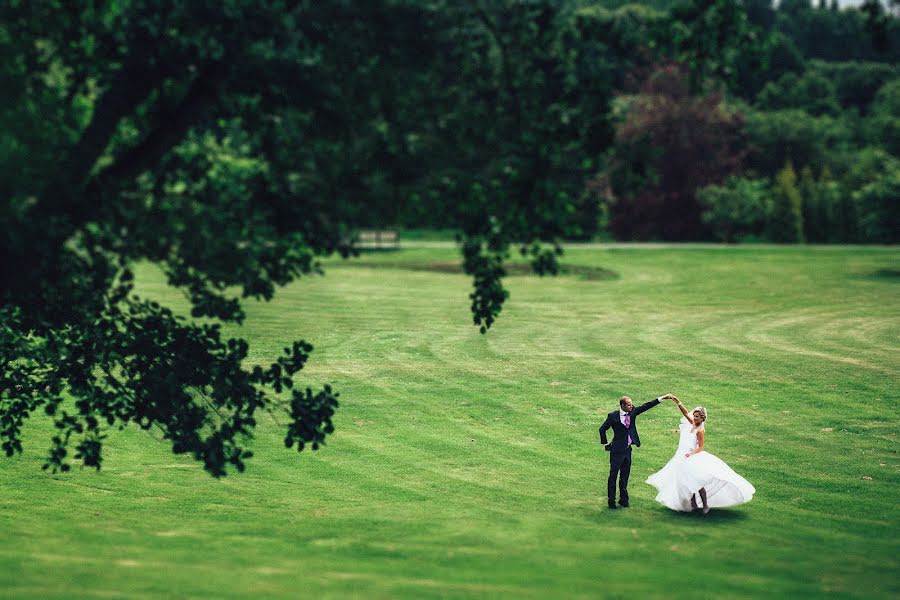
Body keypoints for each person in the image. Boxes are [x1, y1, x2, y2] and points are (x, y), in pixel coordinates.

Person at [646, 396, 755, 514]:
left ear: (702, 419)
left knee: (696, 482)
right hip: (683, 456)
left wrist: (690, 454)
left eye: (697, 416)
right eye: (694, 415)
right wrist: (677, 402)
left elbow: (701, 447)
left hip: (692, 456)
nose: (694, 417)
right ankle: (693, 504)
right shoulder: (692, 423)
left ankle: (705, 505)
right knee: (686, 481)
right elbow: (685, 412)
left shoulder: (700, 430)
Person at [599, 394, 673, 509]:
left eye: (631, 404)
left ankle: (624, 500)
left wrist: (661, 398)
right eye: (628, 405)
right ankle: (611, 501)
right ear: (622, 405)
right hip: (617, 451)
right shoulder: (613, 416)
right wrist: (605, 443)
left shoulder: (633, 412)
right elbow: (602, 429)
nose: (631, 406)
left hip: (628, 450)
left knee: (625, 476)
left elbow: (645, 406)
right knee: (613, 476)